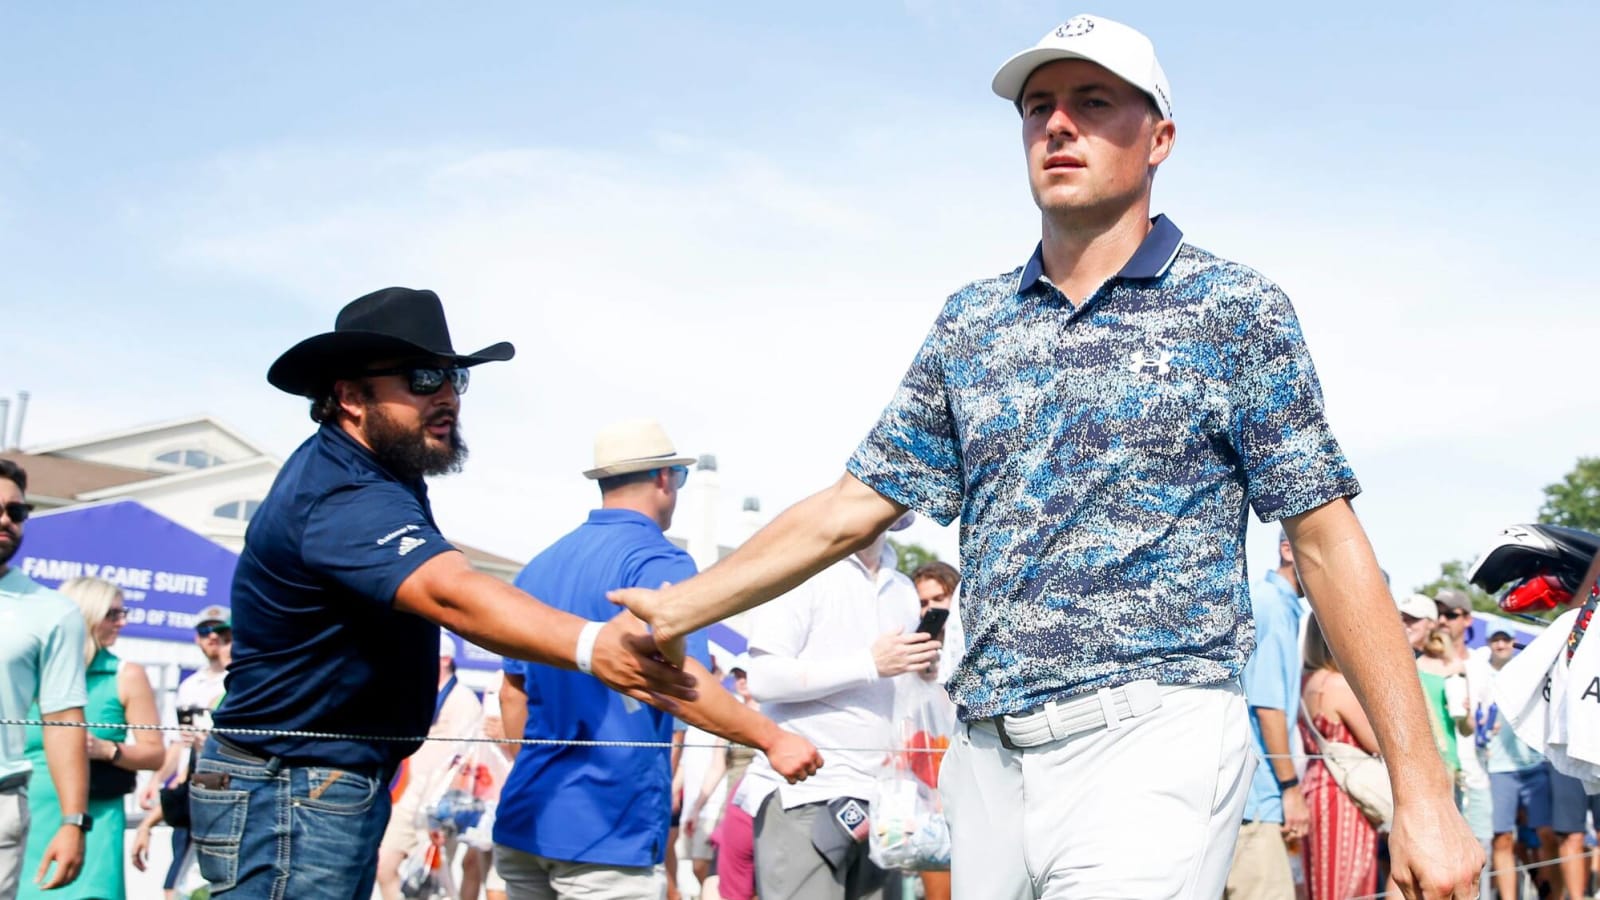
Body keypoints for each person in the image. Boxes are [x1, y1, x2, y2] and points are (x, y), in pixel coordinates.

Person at [611, 13, 1481, 899]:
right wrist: (674, 611)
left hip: (1155, 739)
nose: (1056, 125)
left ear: (1160, 139)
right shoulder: (972, 323)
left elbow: (1329, 542)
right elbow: (848, 508)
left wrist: (1423, 792)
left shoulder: (1234, 309)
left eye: (1092, 102)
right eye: (1038, 107)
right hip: (989, 757)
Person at [188, 288, 698, 900]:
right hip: (292, 784)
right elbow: (453, 594)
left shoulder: (378, 475)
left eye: (455, 377)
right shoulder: (345, 494)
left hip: (313, 780)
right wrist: (592, 643)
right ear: (350, 397)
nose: (448, 395)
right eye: (424, 377)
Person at [492, 419, 822, 900]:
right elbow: (683, 683)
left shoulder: (540, 566)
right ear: (666, 479)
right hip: (608, 826)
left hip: (528, 813)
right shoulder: (660, 561)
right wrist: (772, 738)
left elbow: (511, 692)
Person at [740, 517, 934, 900]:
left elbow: (899, 687)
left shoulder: (903, 588)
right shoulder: (801, 570)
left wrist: (924, 671)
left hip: (884, 802)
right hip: (807, 793)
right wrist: (868, 664)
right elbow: (762, 678)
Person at [19, 577, 163, 900]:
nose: (122, 622)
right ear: (84, 614)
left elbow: (156, 754)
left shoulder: (126, 674)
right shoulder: (30, 671)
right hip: (24, 820)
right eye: (113, 614)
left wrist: (106, 749)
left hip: (93, 821)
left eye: (122, 612)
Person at [0, 459, 88, 899]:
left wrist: (73, 822)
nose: (5, 520)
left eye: (16, 512)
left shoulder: (54, 612)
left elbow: (64, 719)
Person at [1225, 530, 1310, 900]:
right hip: (1258, 800)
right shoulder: (1273, 605)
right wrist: (1290, 790)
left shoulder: (1278, 603)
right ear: (1287, 549)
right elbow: (1268, 706)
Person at [376, 634, 483, 900]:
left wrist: (444, 813)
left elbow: (463, 762)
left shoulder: (463, 700)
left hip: (439, 805)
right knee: (384, 865)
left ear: (445, 660)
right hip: (408, 794)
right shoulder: (416, 695)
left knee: (435, 882)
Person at [139, 604, 232, 900]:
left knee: (212, 875)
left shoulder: (240, 683)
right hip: (191, 784)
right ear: (196, 638)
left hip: (226, 784)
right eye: (206, 631)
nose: (213, 638)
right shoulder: (190, 686)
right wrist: (156, 781)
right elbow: (178, 742)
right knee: (177, 876)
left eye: (222, 632)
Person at [1300, 615, 1381, 900]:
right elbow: (1377, 741)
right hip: (1343, 793)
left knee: (1321, 883)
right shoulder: (1337, 684)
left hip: (1316, 784)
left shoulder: (1308, 681)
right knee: (1345, 884)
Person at [1484, 629, 1558, 900]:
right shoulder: (1480, 674)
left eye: (1505, 639)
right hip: (1498, 769)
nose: (1501, 644)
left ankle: (1554, 895)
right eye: (1495, 640)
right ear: (1489, 644)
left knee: (1546, 835)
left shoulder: (1530, 670)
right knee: (1503, 839)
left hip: (1535, 765)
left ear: (1513, 643)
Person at [1434, 588, 1494, 886]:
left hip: (1477, 773)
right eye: (1439, 613)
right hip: (1440, 778)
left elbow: (1490, 717)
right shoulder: (1423, 664)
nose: (1443, 621)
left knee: (1480, 857)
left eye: (1451, 614)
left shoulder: (1481, 664)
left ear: (1467, 619)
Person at [705, 658, 762, 900]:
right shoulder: (730, 717)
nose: (741, 681)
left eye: (746, 675)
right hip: (730, 812)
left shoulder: (775, 715)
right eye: (737, 675)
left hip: (760, 814)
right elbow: (718, 765)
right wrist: (698, 804)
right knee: (711, 888)